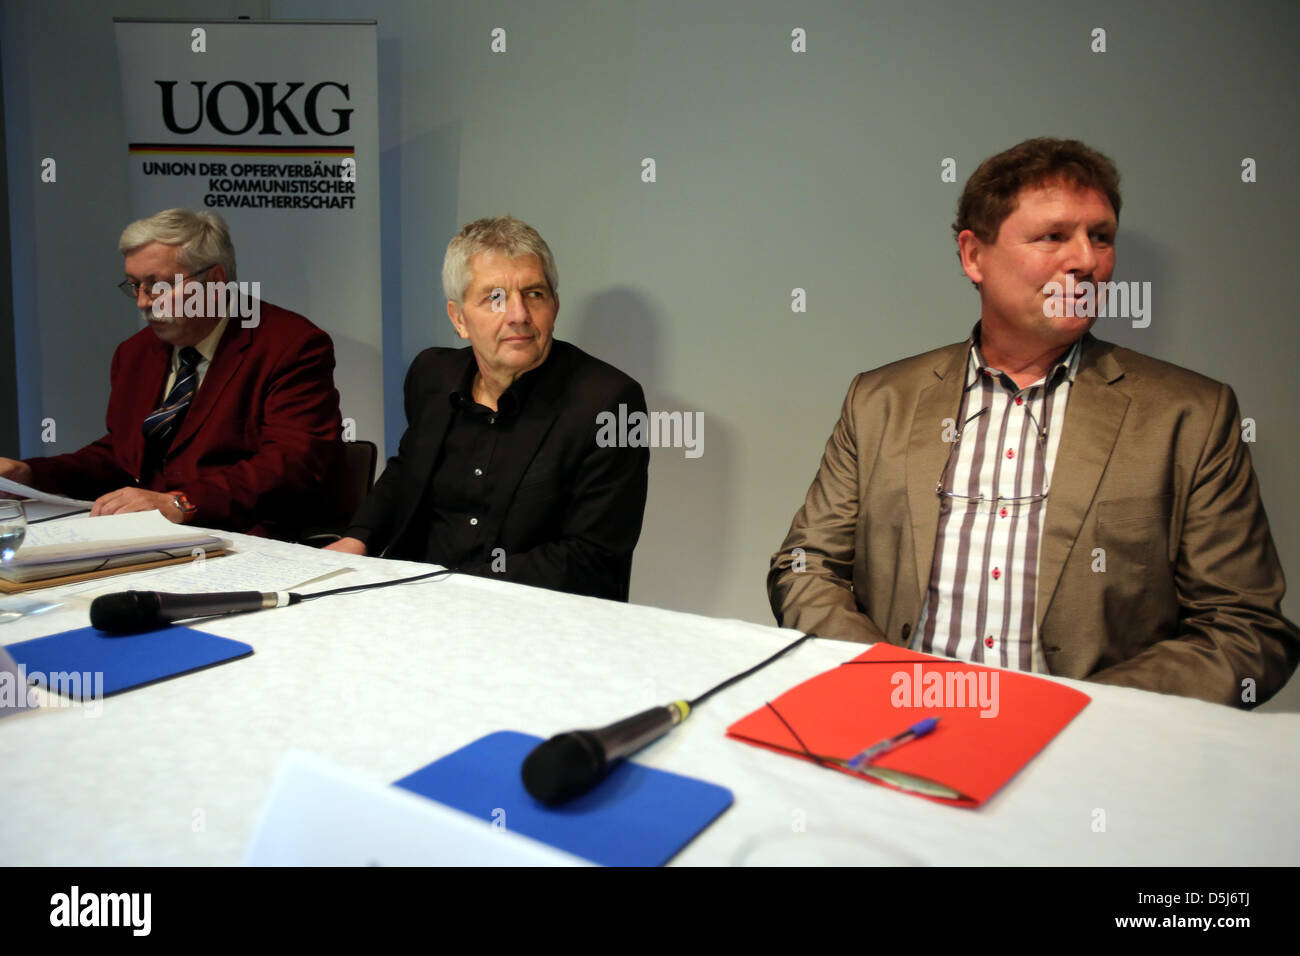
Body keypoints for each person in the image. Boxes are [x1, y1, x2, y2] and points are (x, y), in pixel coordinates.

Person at [768, 138, 1298, 707]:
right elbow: (805, 566)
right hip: (898, 721)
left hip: (1087, 754)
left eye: (1101, 237)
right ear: (974, 256)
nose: (1087, 261)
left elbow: (1245, 629)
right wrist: (886, 683)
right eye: (1053, 236)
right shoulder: (880, 399)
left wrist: (1068, 713)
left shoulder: (1191, 414)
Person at [326, 216, 649, 601]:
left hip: (531, 614)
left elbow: (591, 557)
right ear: (459, 318)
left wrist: (452, 589)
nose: (518, 315)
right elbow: (405, 471)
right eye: (495, 297)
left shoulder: (609, 403)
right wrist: (357, 538)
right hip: (412, 602)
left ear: (555, 307)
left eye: (534, 294)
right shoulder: (432, 374)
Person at [0, 208, 351, 540]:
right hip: (151, 538)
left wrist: (179, 503)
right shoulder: (136, 352)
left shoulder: (289, 344)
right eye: (134, 286)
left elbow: (291, 465)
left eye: (158, 286)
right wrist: (30, 475)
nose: (143, 302)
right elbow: (123, 457)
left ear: (214, 280)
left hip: (250, 535)